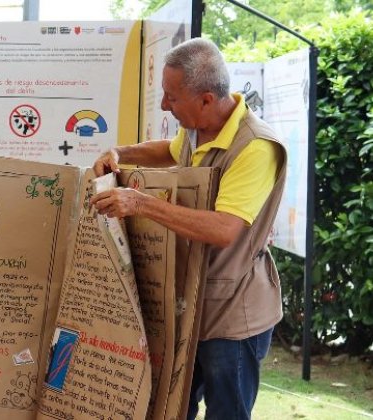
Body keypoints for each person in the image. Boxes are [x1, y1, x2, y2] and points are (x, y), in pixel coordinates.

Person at [90, 38, 286, 420]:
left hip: (231, 314)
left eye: (172, 97)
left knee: (226, 413)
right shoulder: (199, 129)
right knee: (174, 407)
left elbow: (225, 229)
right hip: (190, 305)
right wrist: (121, 153)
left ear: (207, 100)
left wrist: (140, 202)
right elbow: (169, 149)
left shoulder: (256, 148)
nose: (165, 105)